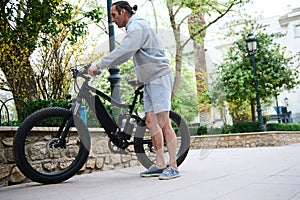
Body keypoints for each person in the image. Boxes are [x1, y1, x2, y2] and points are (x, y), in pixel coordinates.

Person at [88, 1, 180, 180]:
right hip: (149, 79)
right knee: (151, 122)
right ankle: (160, 164)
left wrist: (99, 65)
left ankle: (174, 166)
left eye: (114, 15)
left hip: (159, 77)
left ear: (123, 12)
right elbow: (145, 53)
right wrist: (141, 77)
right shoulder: (135, 27)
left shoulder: (137, 26)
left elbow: (124, 51)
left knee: (163, 122)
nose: (112, 20)